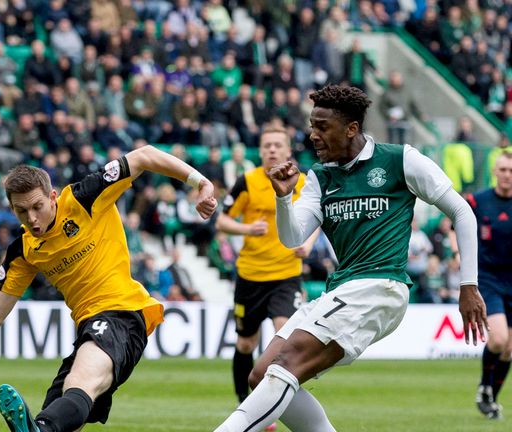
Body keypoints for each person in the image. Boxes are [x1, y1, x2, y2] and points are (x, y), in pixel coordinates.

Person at [214, 85, 488, 431]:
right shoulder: (319, 177)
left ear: (351, 129)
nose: (313, 135)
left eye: (322, 127)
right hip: (341, 290)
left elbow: (462, 212)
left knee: (286, 362)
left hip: (381, 286)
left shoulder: (399, 159)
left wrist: (468, 285)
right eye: (312, 126)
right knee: (261, 373)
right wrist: (283, 199)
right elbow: (293, 237)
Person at [0, 144, 218, 432]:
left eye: (37, 206)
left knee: (76, 388)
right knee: (60, 411)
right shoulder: (23, 251)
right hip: (87, 328)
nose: (32, 218)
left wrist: (199, 182)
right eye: (21, 211)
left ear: (52, 196)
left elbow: (145, 155)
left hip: (123, 313)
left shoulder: (83, 198)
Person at [215, 126, 318, 408]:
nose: (272, 150)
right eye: (266, 146)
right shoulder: (247, 181)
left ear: (288, 151)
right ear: (260, 152)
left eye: (277, 145)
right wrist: (247, 228)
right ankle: (243, 402)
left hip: (287, 275)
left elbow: (317, 218)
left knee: (284, 335)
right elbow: (222, 221)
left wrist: (307, 244)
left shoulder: (304, 181)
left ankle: (272, 403)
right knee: (246, 344)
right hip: (251, 275)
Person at [469, 151, 512, 420]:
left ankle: (490, 398)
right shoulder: (478, 201)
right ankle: (485, 385)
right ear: (495, 172)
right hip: (488, 278)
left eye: (511, 171)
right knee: (498, 339)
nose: (508, 176)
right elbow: (455, 229)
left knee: (509, 348)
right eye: (504, 170)